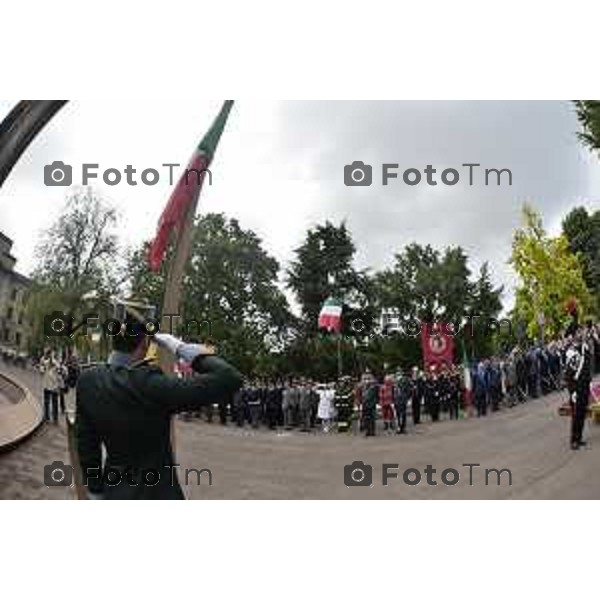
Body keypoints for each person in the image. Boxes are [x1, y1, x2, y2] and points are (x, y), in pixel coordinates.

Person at [75, 318, 242, 500]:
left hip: (115, 490)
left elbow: (86, 444)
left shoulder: (88, 382)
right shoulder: (151, 385)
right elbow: (229, 378)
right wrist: (178, 346)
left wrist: (95, 490)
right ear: (146, 343)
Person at [564, 330, 592, 450]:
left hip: (584, 386)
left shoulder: (584, 349)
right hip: (576, 388)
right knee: (576, 414)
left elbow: (587, 368)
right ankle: (573, 440)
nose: (583, 334)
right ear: (575, 336)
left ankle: (579, 437)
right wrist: (572, 391)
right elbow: (569, 374)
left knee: (582, 413)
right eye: (580, 333)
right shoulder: (571, 352)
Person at [40, 350, 61, 423]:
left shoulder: (46, 363)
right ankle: (54, 419)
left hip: (49, 385)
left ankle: (48, 418)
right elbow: (59, 374)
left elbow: (41, 372)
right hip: (53, 386)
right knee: (53, 403)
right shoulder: (55, 363)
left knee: (47, 402)